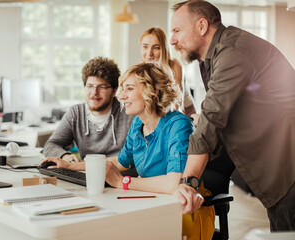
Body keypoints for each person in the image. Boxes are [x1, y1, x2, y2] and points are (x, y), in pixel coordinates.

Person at [42, 63, 215, 240]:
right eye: (122, 88)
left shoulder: (178, 125)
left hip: (182, 211)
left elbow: (174, 182)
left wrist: (121, 182)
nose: (122, 96)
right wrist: (71, 167)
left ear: (153, 92)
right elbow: (120, 162)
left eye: (129, 89)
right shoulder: (138, 124)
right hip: (152, 204)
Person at [170, 0, 295, 232]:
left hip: (288, 164)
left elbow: (211, 120)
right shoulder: (212, 57)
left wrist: (188, 183)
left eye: (177, 30)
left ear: (202, 26)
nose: (172, 40)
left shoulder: (232, 51)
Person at [43, 56, 134, 163]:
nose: (94, 92)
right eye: (90, 86)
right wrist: (64, 155)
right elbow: (51, 145)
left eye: (102, 87)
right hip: (87, 175)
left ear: (114, 91)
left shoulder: (129, 112)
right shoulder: (76, 113)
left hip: (123, 177)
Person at [140, 27, 196, 117]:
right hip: (160, 113)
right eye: (145, 46)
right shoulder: (141, 70)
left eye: (156, 48)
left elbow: (177, 103)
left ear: (163, 49)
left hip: (185, 111)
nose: (149, 53)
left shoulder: (175, 65)